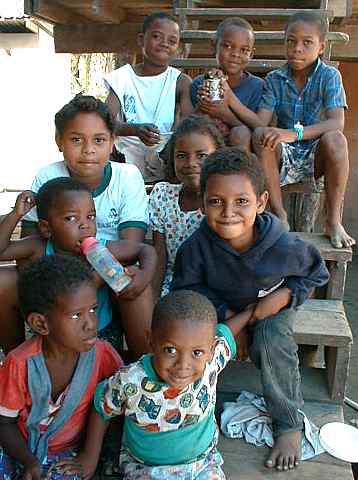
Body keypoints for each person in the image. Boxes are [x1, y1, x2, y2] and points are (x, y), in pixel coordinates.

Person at [171, 147, 329, 471]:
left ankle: (288, 424)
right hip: (223, 311)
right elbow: (186, 290)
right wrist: (228, 322)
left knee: (271, 339)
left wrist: (286, 296)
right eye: (216, 201)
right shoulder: (195, 248)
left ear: (261, 202)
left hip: (273, 304)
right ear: (202, 204)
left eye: (241, 201)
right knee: (185, 334)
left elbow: (316, 273)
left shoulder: (283, 245)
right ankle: (186, 414)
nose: (228, 211)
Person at [0, 94, 149, 355]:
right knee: (2, 281)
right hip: (55, 271)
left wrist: (100, 274)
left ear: (113, 142)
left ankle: (143, 369)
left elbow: (135, 246)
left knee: (133, 281)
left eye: (99, 140)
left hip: (108, 267)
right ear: (59, 141)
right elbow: (32, 248)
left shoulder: (127, 177)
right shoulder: (48, 176)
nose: (88, 150)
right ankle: (20, 364)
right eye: (76, 139)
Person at [92, 289, 257, 479]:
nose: (183, 366)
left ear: (211, 350)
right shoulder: (131, 381)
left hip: (203, 463)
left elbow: (226, 331)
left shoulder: (212, 360)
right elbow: (100, 407)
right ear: (151, 342)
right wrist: (90, 457)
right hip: (146, 468)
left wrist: (250, 312)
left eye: (196, 353)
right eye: (170, 350)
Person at [0, 177, 157, 359]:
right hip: (55, 336)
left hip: (101, 335)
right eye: (71, 218)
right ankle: (21, 363)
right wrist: (15, 214)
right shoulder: (39, 247)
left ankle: (145, 364)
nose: (85, 225)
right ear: (46, 228)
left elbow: (145, 250)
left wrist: (144, 276)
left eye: (90, 217)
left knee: (133, 280)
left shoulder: (102, 250)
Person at [0, 254, 123, 479]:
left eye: (93, 310)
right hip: (20, 448)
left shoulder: (103, 356)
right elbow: (4, 422)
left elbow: (114, 408)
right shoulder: (20, 363)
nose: (91, 323)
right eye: (77, 315)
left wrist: (91, 456)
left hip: (68, 454)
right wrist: (29, 461)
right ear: (41, 323)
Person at [253, 11, 355, 248]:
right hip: (283, 155)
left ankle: (333, 221)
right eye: (291, 41)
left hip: (315, 153)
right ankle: (279, 214)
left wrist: (292, 133)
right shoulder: (274, 79)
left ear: (321, 47)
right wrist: (228, 103)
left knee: (336, 139)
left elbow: (336, 122)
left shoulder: (329, 76)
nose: (297, 48)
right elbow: (260, 121)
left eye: (306, 42)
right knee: (260, 135)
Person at [104, 12, 193, 182]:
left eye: (172, 41)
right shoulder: (122, 78)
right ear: (141, 40)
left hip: (165, 155)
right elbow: (103, 121)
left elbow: (189, 126)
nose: (165, 44)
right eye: (157, 36)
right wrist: (135, 130)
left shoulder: (180, 81)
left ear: (178, 48)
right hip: (126, 152)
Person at [148, 115, 224, 298]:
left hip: (214, 285)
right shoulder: (163, 195)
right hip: (173, 282)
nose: (191, 164)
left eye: (202, 156)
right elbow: (160, 255)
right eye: (182, 156)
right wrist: (152, 301)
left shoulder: (224, 201)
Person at [191, 18, 264, 151]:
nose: (235, 54)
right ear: (214, 47)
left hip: (240, 149)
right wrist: (201, 105)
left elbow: (255, 131)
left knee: (241, 133)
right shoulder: (199, 83)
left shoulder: (257, 87)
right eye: (227, 46)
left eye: (244, 50)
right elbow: (190, 125)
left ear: (251, 54)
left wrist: (225, 114)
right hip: (206, 148)